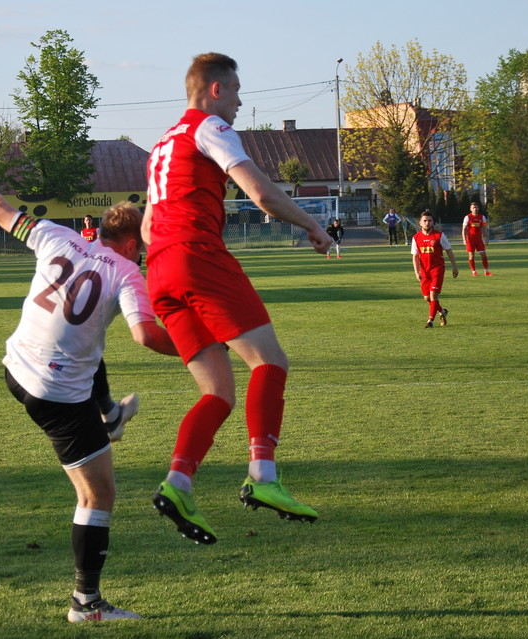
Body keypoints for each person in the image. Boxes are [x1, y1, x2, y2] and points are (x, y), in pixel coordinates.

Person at [0, 165, 178, 623]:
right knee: (97, 495)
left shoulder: (59, 237)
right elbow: (146, 336)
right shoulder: (126, 271)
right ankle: (87, 604)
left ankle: (109, 413)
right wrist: (199, 346)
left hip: (15, 367)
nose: (145, 254)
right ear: (130, 243)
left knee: (88, 343)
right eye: (144, 245)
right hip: (55, 394)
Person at [141, 52, 332, 545]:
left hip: (160, 271)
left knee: (218, 392)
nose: (242, 103)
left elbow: (145, 226)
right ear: (215, 90)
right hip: (196, 256)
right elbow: (260, 192)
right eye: (238, 91)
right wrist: (313, 224)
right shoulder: (209, 128)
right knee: (270, 361)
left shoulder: (161, 145)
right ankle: (264, 477)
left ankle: (179, 483)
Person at [411, 210, 459, 328]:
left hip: (437, 269)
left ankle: (430, 321)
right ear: (420, 223)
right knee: (427, 298)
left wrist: (454, 266)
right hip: (424, 271)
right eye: (425, 221)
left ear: (433, 223)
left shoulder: (439, 236)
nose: (427, 223)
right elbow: (415, 256)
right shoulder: (416, 238)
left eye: (429, 221)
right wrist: (417, 272)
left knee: (433, 296)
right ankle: (442, 312)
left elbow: (449, 250)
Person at [461, 202, 491, 276]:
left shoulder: (482, 217)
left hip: (479, 239)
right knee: (471, 255)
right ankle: (474, 272)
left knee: (483, 254)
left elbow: (485, 228)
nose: (475, 209)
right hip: (470, 239)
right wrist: (464, 239)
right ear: (471, 209)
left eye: (476, 207)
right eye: (473, 208)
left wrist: (487, 238)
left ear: (478, 208)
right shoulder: (467, 217)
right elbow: (464, 229)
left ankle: (486, 271)